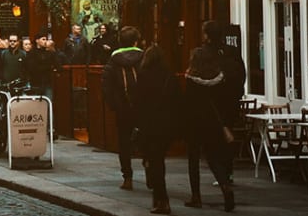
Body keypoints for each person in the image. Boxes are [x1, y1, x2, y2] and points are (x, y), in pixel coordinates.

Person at [184, 21, 246, 212]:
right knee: (213, 155)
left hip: (197, 113)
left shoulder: (199, 55)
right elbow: (240, 79)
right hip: (220, 113)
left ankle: (196, 196)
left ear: (206, 36)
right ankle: (225, 185)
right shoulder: (229, 55)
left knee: (193, 156)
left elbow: (191, 87)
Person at [133, 45, 182, 215]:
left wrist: (137, 123)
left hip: (150, 125)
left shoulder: (143, 76)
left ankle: (161, 199)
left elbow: (137, 102)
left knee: (155, 162)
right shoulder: (170, 76)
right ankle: (159, 195)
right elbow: (177, 101)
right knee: (158, 159)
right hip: (167, 125)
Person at [101, 25, 144, 190]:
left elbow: (106, 85)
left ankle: (128, 177)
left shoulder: (113, 60)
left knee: (124, 142)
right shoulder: (144, 57)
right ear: (135, 41)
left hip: (123, 108)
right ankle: (150, 171)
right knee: (148, 140)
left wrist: (114, 105)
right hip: (143, 107)